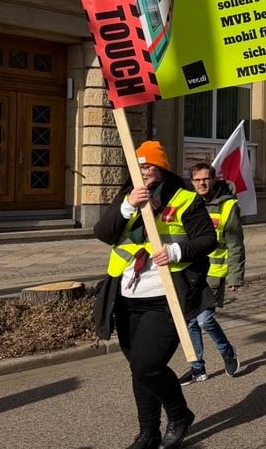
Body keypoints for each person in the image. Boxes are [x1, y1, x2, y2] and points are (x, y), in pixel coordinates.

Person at [94, 141, 217, 449]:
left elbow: (207, 240)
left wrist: (175, 250)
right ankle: (148, 433)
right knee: (138, 368)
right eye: (138, 167)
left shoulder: (185, 198)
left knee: (147, 366)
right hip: (125, 296)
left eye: (147, 166)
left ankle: (179, 415)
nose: (142, 172)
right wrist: (127, 206)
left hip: (166, 298)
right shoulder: (128, 195)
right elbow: (104, 232)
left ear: (161, 168)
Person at [178, 163, 244, 386]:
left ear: (214, 180)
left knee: (205, 319)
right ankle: (197, 368)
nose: (202, 183)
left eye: (206, 179)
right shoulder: (187, 203)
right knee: (190, 321)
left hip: (215, 272)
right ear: (192, 182)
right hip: (190, 273)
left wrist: (235, 276)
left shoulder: (228, 206)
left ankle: (227, 351)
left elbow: (236, 244)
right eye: (197, 180)